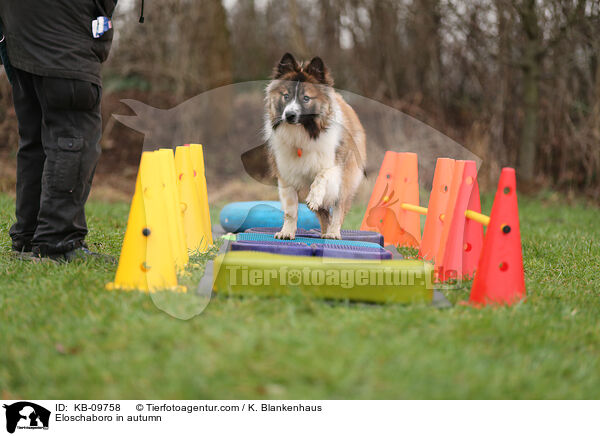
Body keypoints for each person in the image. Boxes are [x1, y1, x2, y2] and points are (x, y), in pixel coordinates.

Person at [0, 1, 117, 262]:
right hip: (62, 31)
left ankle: (29, 238)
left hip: (21, 28)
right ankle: (58, 242)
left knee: (37, 137)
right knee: (74, 134)